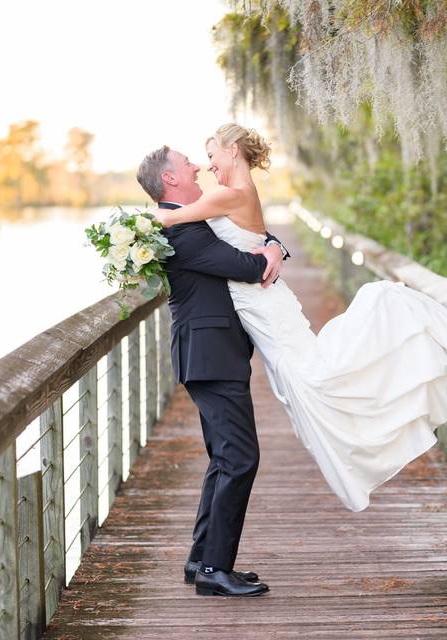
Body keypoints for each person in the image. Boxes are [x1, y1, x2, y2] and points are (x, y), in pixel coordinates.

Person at [153, 123, 447, 515]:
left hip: (264, 304)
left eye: (211, 154)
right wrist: (272, 246)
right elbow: (256, 236)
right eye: (200, 160)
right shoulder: (238, 194)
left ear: (232, 150)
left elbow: (170, 220)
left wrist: (130, 232)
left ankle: (406, 376)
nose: (207, 165)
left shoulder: (227, 195)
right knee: (313, 375)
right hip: (263, 303)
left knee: (316, 376)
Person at [136, 145, 288, 597]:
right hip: (210, 354)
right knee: (241, 458)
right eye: (187, 163)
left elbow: (244, 237)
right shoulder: (181, 233)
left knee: (226, 459)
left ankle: (203, 561)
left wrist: (275, 245)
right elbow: (243, 266)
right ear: (170, 179)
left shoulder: (185, 222)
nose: (197, 167)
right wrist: (270, 255)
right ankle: (213, 570)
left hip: (211, 352)